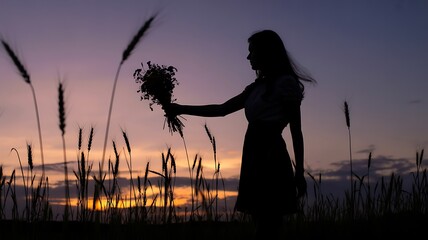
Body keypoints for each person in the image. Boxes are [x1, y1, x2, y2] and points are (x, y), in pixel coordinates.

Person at [164, 29, 316, 239]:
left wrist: (299, 172)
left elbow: (296, 131)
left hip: (270, 155)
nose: (248, 56)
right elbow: (222, 109)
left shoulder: (285, 84)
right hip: (253, 152)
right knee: (258, 218)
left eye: (252, 51)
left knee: (269, 222)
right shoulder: (256, 88)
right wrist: (180, 108)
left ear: (266, 52)